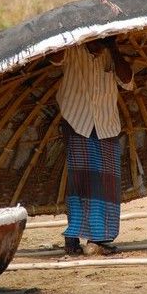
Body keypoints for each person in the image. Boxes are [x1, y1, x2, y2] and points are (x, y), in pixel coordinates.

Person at [49, 36, 134, 256]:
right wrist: (68, 36)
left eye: (103, 40)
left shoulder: (111, 55)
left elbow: (128, 81)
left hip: (107, 125)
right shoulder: (72, 51)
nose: (97, 45)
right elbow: (54, 59)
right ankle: (73, 236)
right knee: (82, 181)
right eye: (94, 41)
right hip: (77, 121)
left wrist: (113, 48)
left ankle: (100, 238)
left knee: (107, 183)